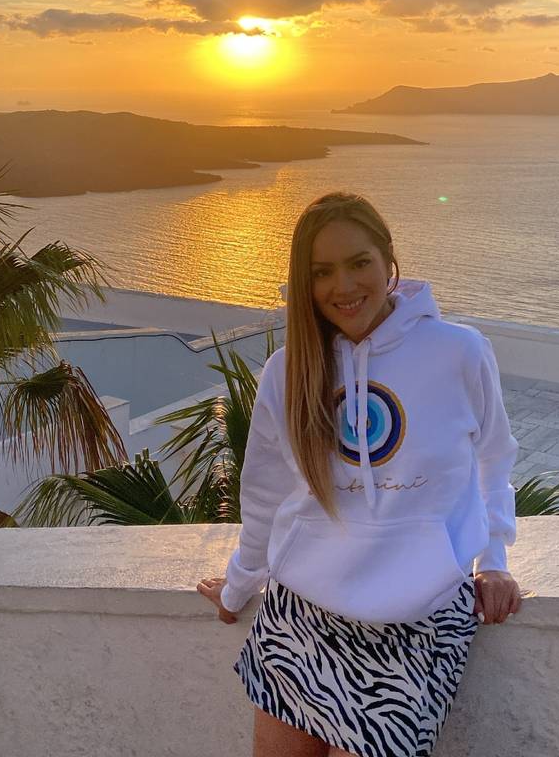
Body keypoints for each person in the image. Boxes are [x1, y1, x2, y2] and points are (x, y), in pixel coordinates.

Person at [198, 190, 521, 757]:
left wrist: (493, 562)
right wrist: (239, 584)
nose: (343, 288)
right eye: (322, 272)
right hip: (301, 612)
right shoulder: (287, 371)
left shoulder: (460, 352)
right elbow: (266, 495)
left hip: (416, 620)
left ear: (388, 260)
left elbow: (494, 458)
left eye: (358, 263)